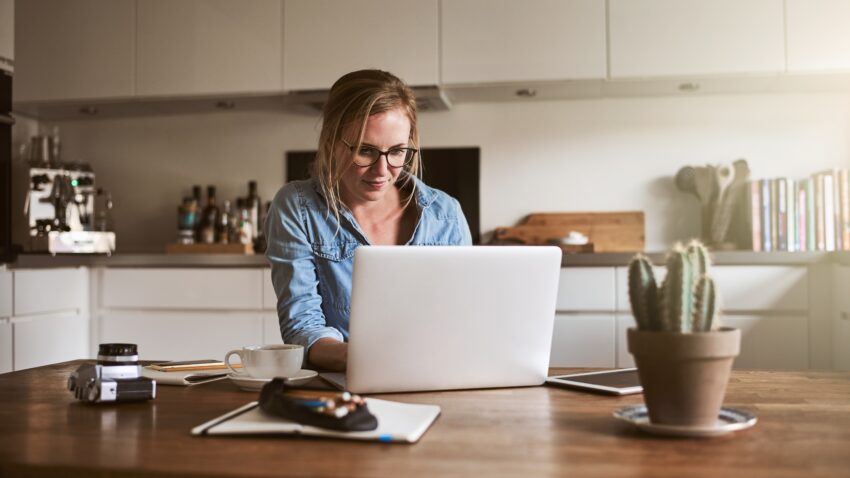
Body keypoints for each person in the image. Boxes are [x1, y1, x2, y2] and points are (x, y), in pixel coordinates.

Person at [265, 69, 472, 372]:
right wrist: (366, 358)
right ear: (330, 142)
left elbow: (463, 318)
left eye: (398, 151)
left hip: (435, 375)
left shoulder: (446, 214)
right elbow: (302, 326)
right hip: (344, 386)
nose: (382, 171)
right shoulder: (297, 207)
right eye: (365, 151)